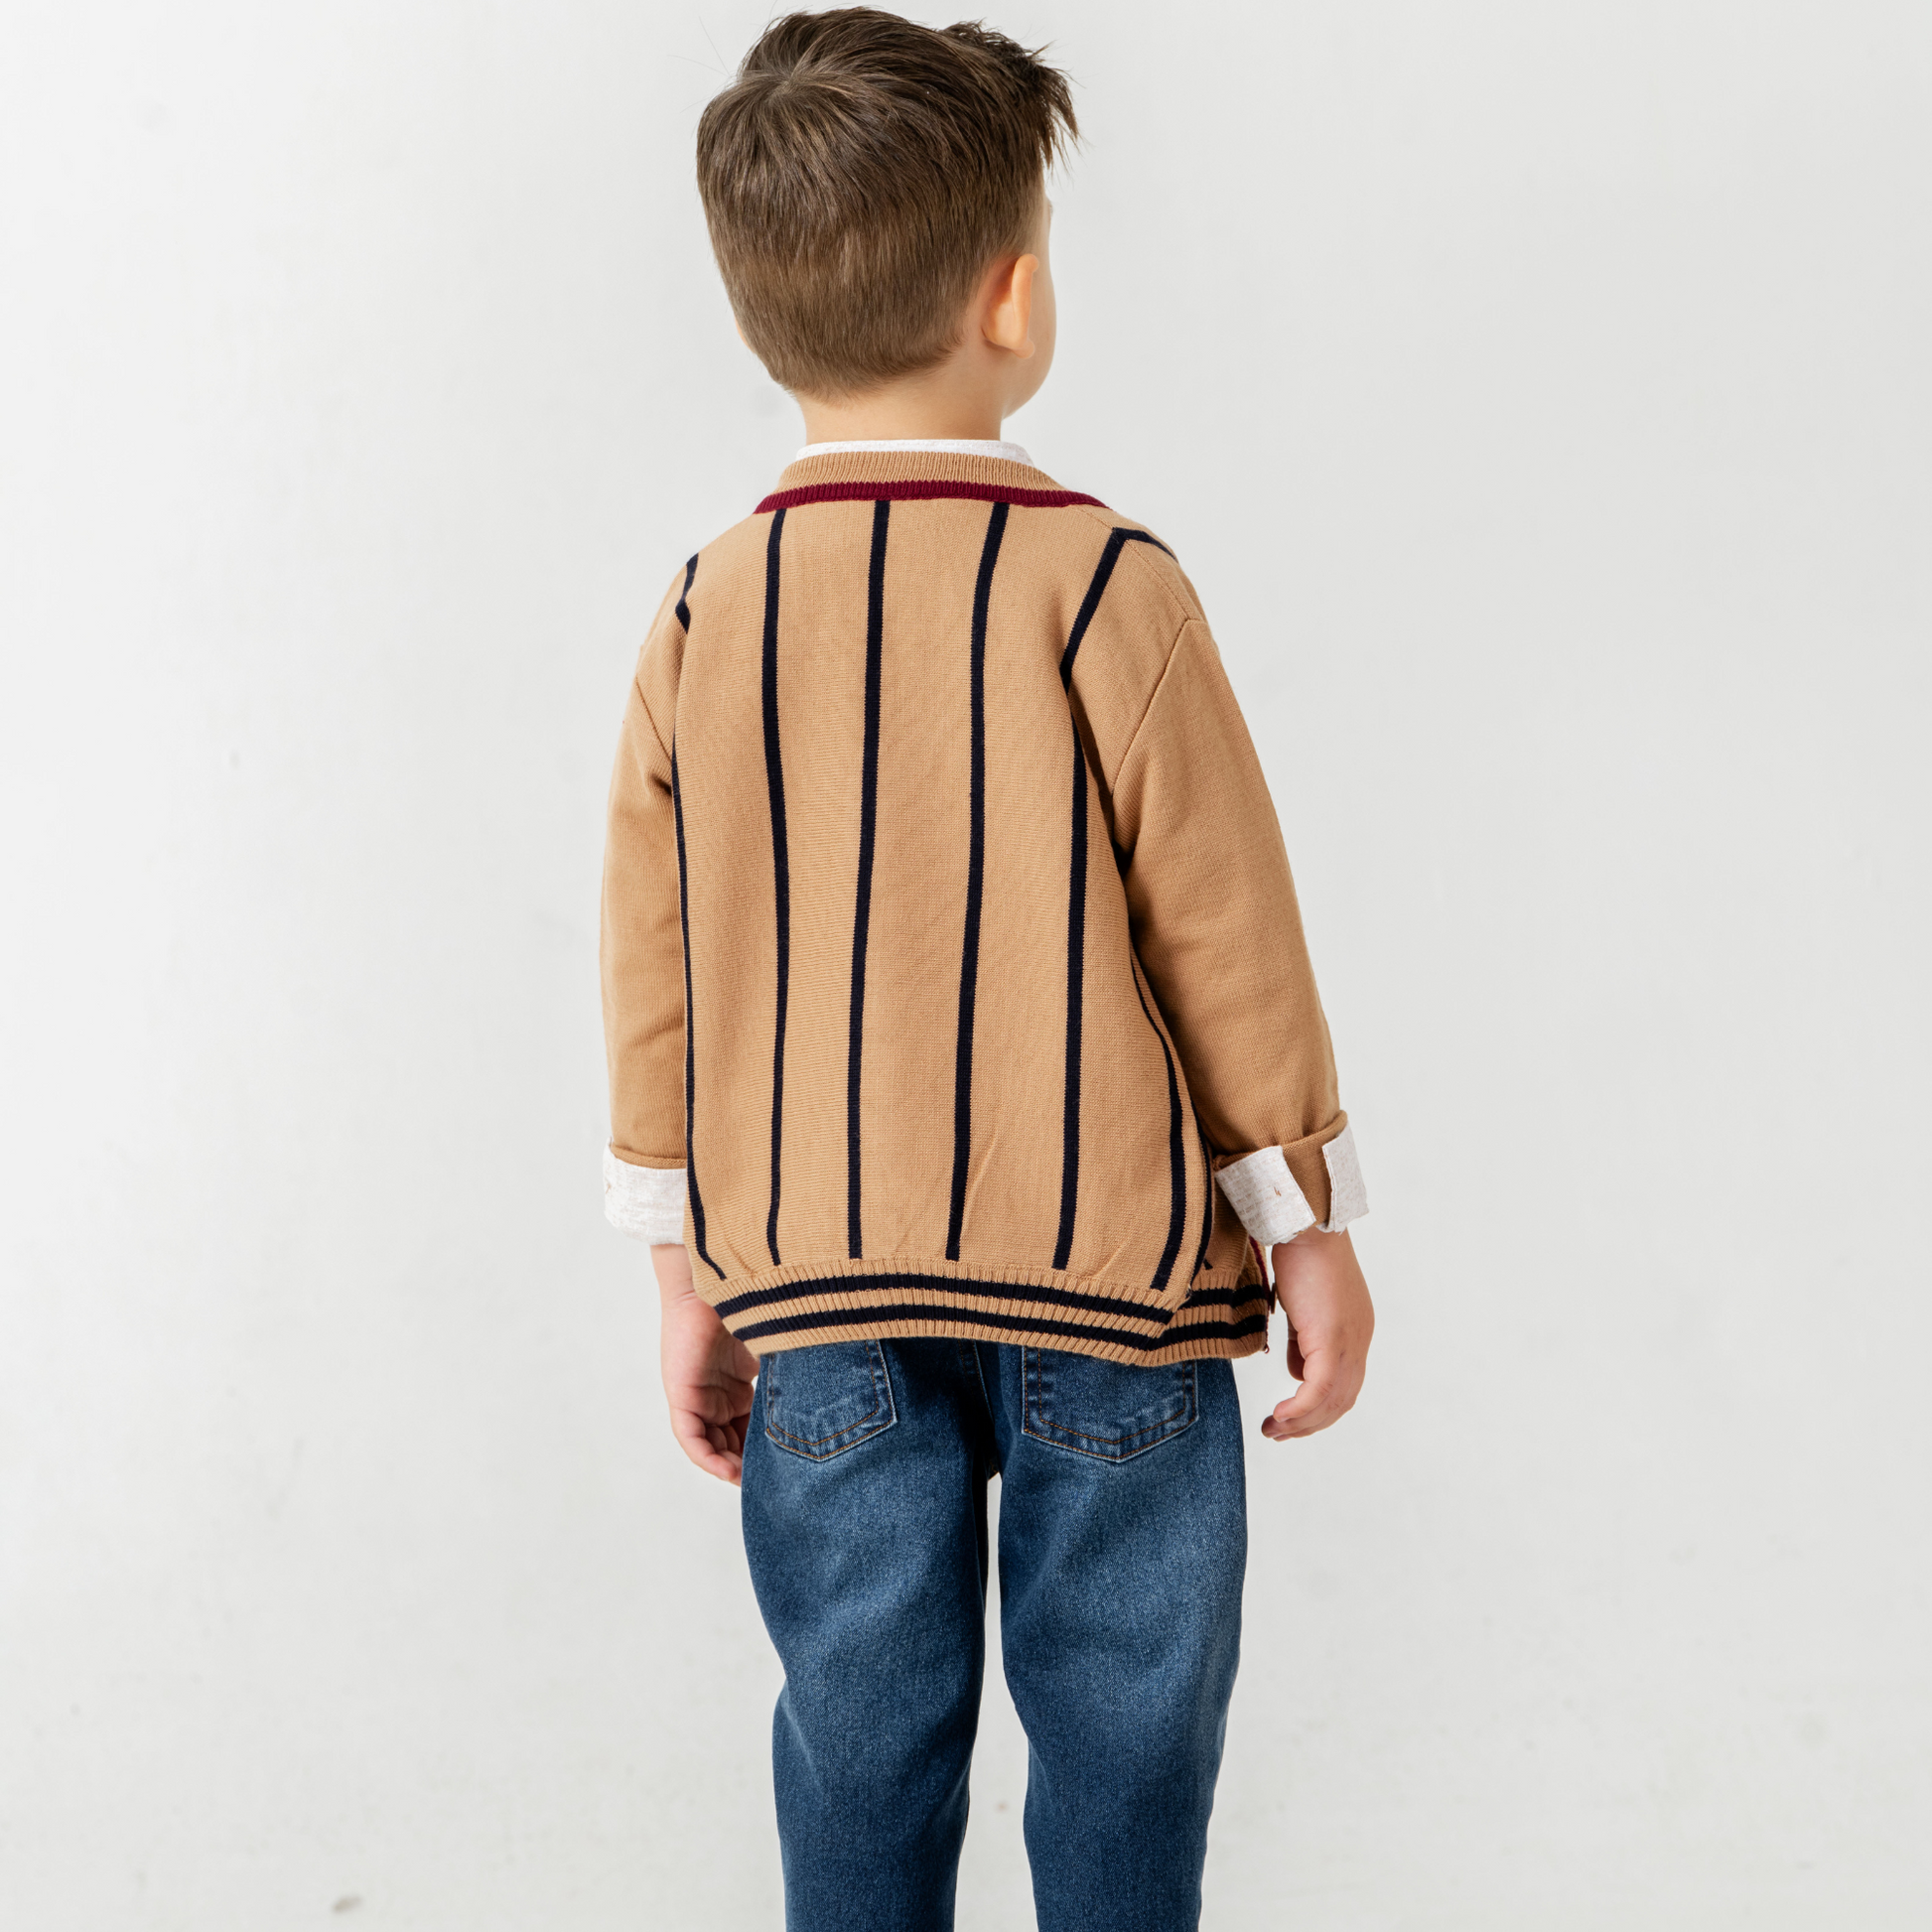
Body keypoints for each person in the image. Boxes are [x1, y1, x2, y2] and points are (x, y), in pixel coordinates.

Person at [599, 12, 1374, 1928]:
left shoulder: (704, 609)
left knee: (858, 1727)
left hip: (814, 1278)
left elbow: (654, 967)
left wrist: (685, 1264)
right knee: (1127, 1729)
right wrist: (1304, 1221)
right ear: (1013, 298)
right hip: (1114, 1282)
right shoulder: (1105, 583)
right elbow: (1227, 929)